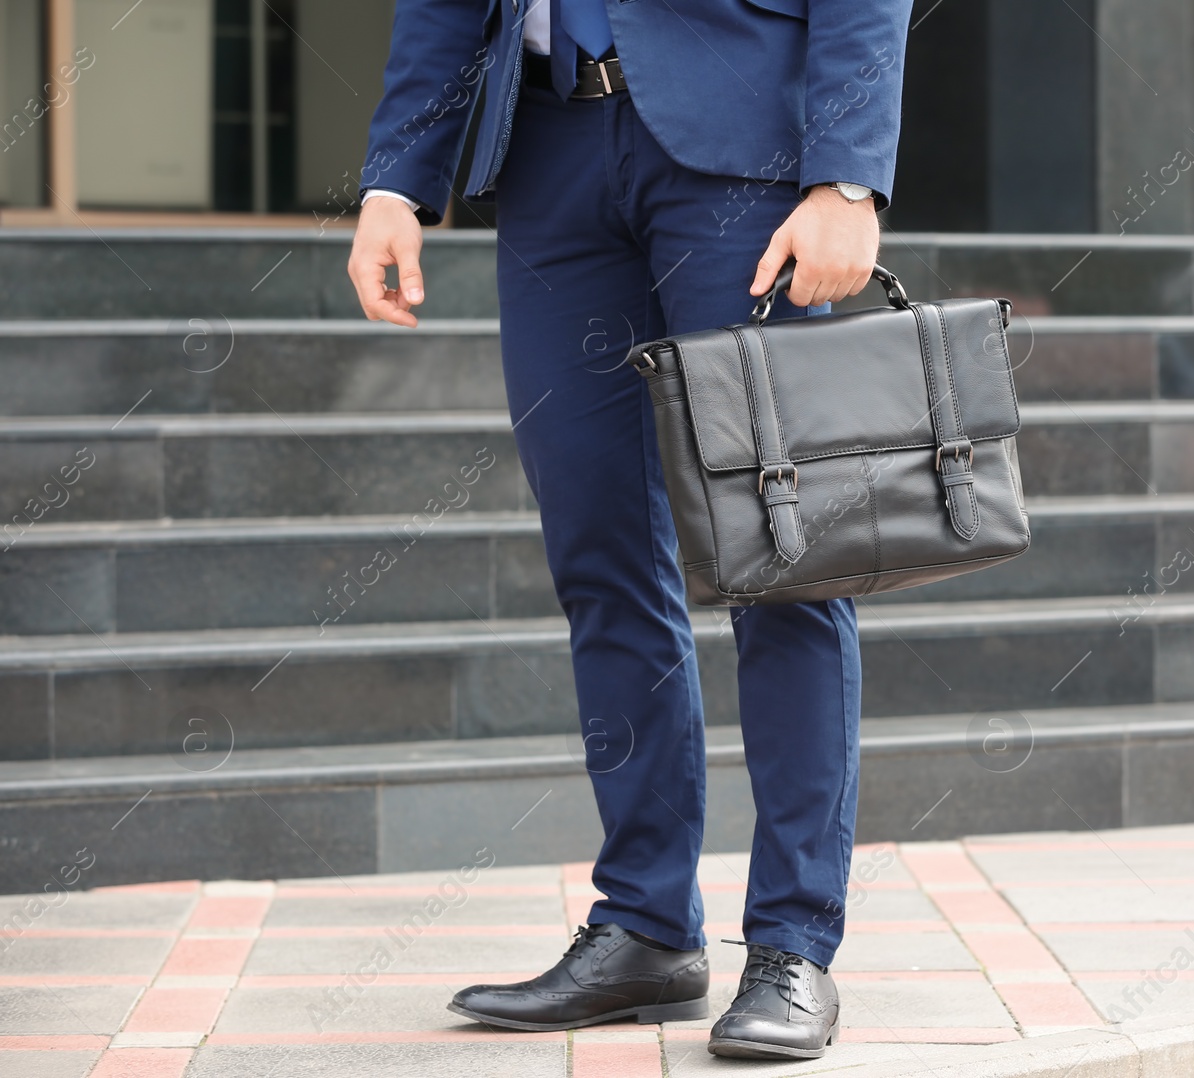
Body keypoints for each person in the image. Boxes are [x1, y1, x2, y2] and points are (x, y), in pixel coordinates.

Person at [347, 0, 913, 1060]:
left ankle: (793, 943)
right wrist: (395, 174)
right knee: (598, 553)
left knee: (777, 555)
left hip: (740, 146)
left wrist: (844, 174)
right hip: (552, 157)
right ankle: (646, 925)